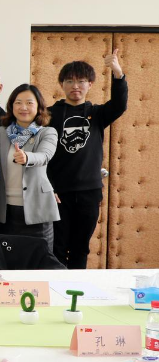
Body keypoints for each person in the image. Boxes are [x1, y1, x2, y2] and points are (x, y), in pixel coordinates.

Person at [48, 50, 127, 269]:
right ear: (61, 84)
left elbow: (120, 104)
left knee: (81, 247)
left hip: (89, 192)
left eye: (81, 81)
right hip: (58, 193)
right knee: (57, 246)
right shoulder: (49, 114)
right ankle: (57, 286)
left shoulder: (97, 114)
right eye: (69, 81)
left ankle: (76, 286)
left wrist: (117, 72)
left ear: (90, 84)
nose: (75, 86)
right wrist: (48, 186)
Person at [0, 84, 59, 252]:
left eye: (29, 103)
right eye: (18, 102)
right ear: (11, 106)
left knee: (39, 260)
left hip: (37, 211)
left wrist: (27, 157)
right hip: (5, 212)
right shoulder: (1, 133)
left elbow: (44, 156)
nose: (23, 107)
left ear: (39, 107)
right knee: (8, 260)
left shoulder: (47, 132)